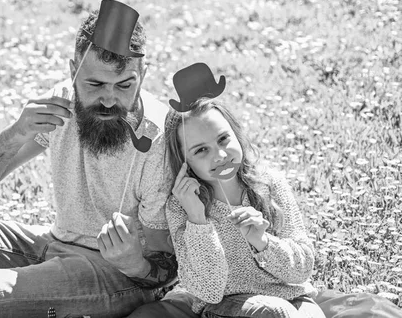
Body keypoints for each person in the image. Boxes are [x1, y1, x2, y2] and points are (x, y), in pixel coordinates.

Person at [0, 0, 177, 318]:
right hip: (53, 243)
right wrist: (17, 131)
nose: (109, 99)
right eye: (95, 84)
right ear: (73, 72)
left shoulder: (159, 140)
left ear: (144, 73)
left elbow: (165, 272)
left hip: (114, 276)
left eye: (125, 85)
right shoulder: (63, 104)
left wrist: (133, 261)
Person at [130, 95, 325, 318]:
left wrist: (263, 242)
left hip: (294, 298)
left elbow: (302, 270)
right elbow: (208, 291)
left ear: (236, 134)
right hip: (226, 306)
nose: (221, 155)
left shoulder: (270, 184)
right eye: (201, 150)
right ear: (184, 161)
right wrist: (198, 218)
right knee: (273, 312)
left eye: (223, 139)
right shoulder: (181, 207)